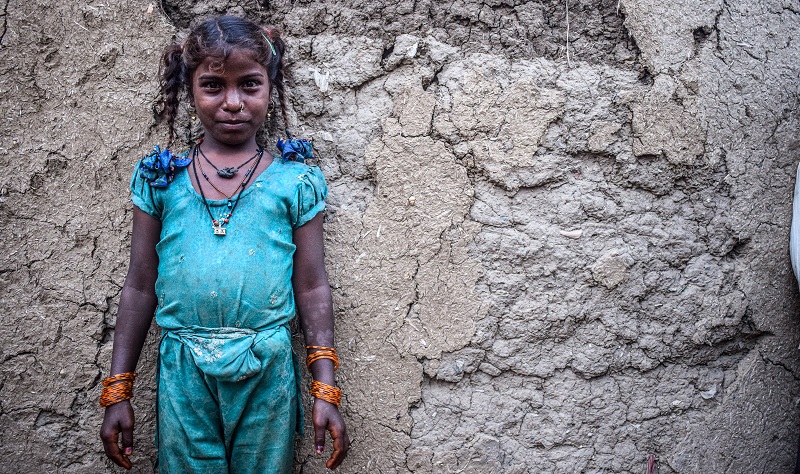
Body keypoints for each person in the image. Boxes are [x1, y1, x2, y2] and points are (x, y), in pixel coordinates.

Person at [99, 15, 349, 473]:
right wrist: (118, 390)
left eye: (249, 85)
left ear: (270, 88)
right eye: (213, 85)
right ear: (190, 90)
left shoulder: (294, 182)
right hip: (184, 371)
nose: (232, 102)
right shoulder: (161, 181)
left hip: (266, 368)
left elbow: (312, 287)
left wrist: (325, 389)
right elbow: (138, 287)